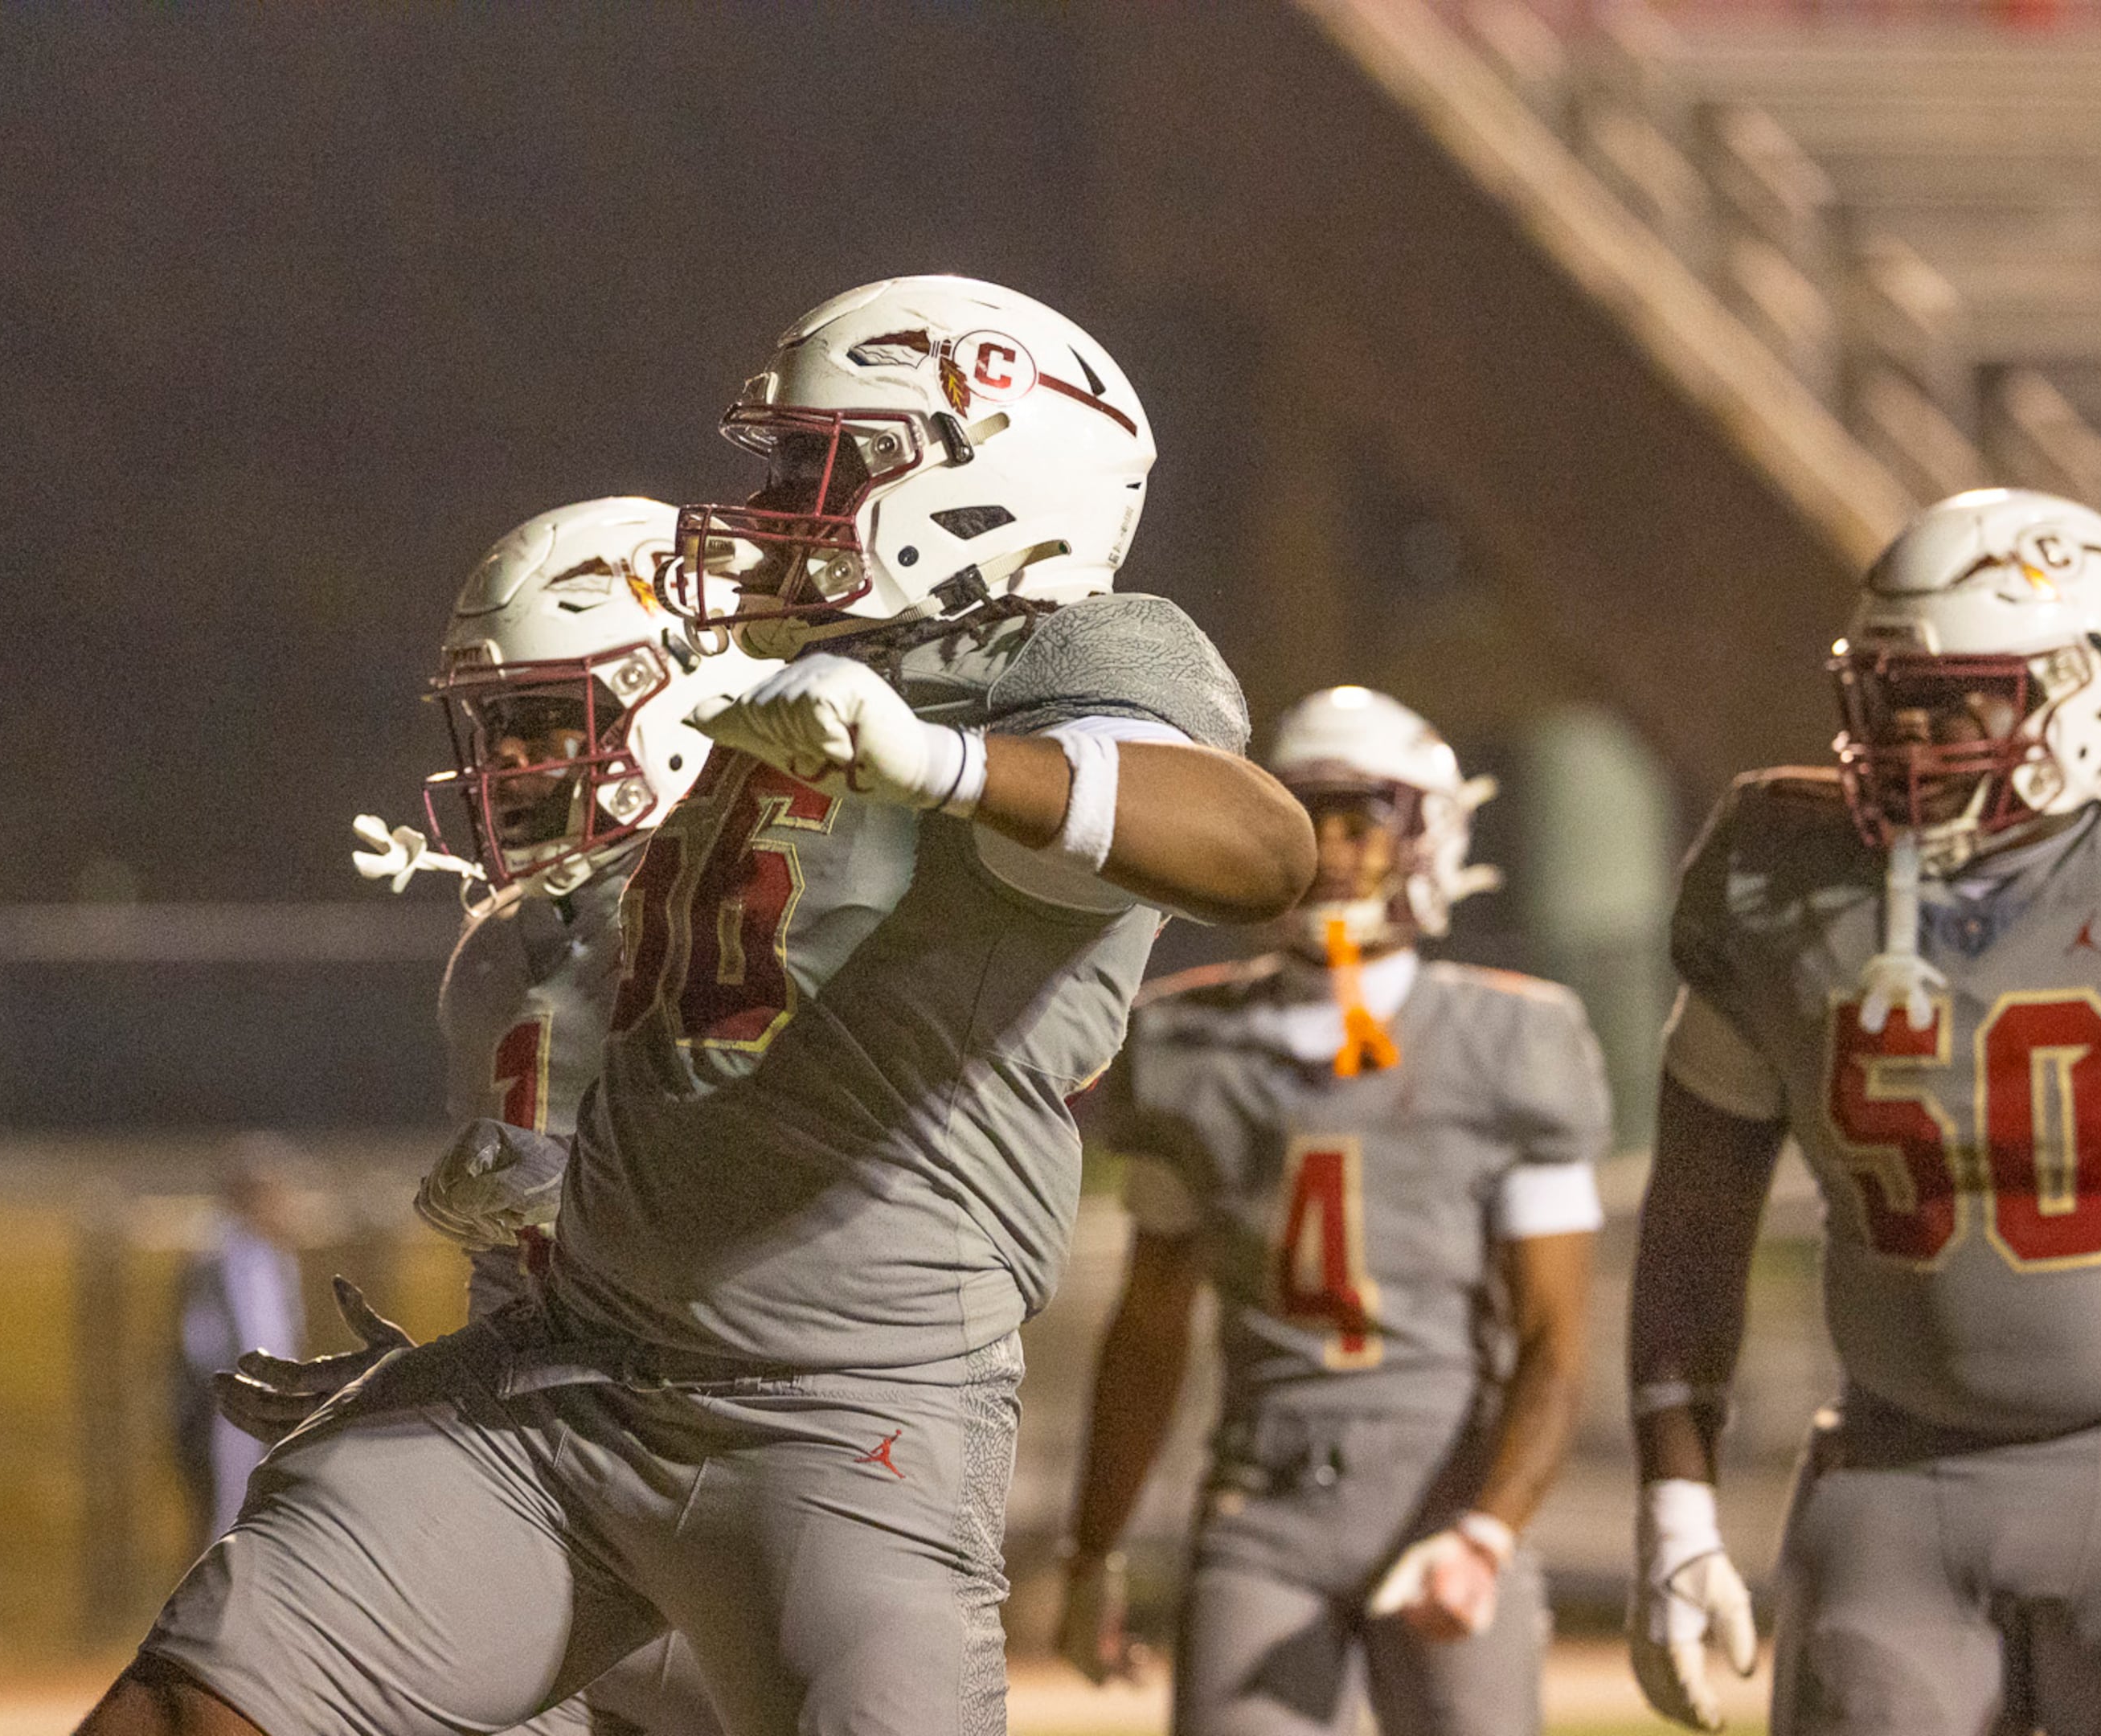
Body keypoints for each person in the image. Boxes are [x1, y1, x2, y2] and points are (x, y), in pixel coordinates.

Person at [81, 274, 1314, 1736]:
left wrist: (948, 768)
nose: (770, 503)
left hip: (839, 1419)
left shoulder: (1058, 662)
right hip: (570, 1381)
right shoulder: (793, 677)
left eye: (816, 464)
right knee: (201, 1702)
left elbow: (1263, 849)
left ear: (979, 470)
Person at [1626, 487, 2101, 1735]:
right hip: (1895, 1471)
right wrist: (1674, 1500)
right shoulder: (1777, 864)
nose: (1910, 738)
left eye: (1959, 699)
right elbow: (1694, 1219)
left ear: (2091, 692)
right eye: (1887, 698)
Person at [228, 496, 769, 1736]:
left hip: (751, 1494)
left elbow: (807, 1245)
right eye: (496, 728)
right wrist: (427, 1385)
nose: (510, 768)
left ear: (679, 698)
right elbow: (525, 1302)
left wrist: (575, 1190)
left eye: (545, 721)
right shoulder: (498, 959)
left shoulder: (761, 929)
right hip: (565, 1496)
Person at [1059, 686, 1606, 1736]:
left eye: (1363, 821)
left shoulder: (1509, 1043)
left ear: (1428, 835)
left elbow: (1555, 1342)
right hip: (1262, 1505)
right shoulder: (1187, 1046)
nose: (1336, 853)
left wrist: (1489, 1530)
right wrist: (1094, 1548)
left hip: (1445, 1491)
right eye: (1310, 822)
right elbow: (1149, 1327)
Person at [170, 1141, 309, 1548]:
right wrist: (225, 1386)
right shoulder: (214, 1253)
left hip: (271, 1400)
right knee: (223, 1512)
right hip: (228, 1406)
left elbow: (285, 1328)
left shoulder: (277, 1257)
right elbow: (200, 1336)